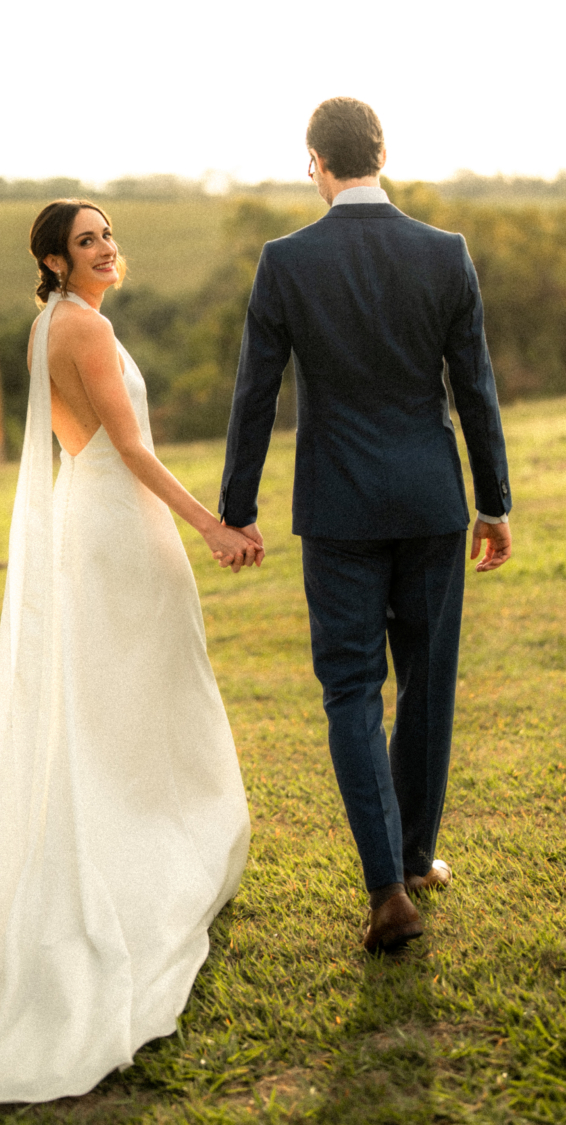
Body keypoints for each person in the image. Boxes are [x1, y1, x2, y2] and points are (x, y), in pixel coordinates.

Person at [0, 200, 256, 1108]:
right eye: (86, 240)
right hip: (122, 523)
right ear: (55, 260)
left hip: (87, 521)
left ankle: (135, 835)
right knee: (156, 691)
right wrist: (212, 527)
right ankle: (153, 856)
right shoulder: (89, 335)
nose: (106, 246)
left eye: (107, 233)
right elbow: (134, 450)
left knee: (115, 702)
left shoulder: (47, 328)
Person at [219, 98, 512, 954]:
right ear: (383, 151)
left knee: (351, 689)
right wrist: (492, 501)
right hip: (430, 501)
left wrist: (239, 508)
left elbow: (253, 397)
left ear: (315, 161)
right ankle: (418, 856)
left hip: (339, 509)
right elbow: (476, 389)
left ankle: (388, 887)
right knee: (426, 680)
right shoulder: (445, 253)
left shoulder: (284, 262)